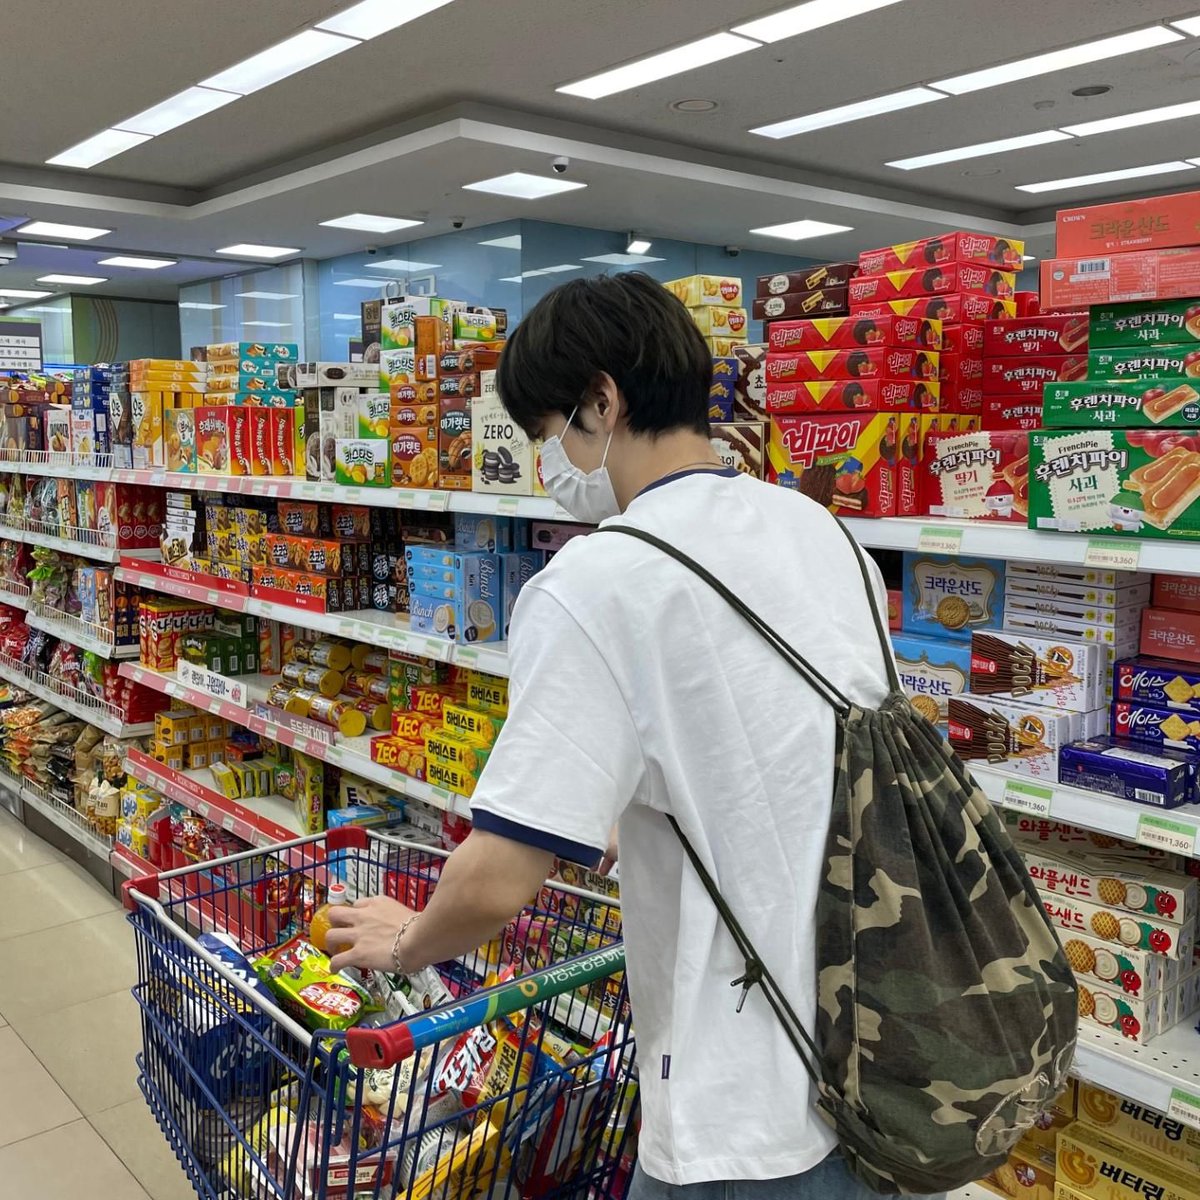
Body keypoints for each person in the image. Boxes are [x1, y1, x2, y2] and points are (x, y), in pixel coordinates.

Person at [325, 271, 893, 1200]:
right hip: (877, 1051)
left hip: (742, 1101)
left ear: (601, 401)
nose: (545, 462)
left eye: (546, 431)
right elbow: (788, 749)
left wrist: (406, 943)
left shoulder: (596, 583)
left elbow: (496, 882)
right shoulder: (824, 532)